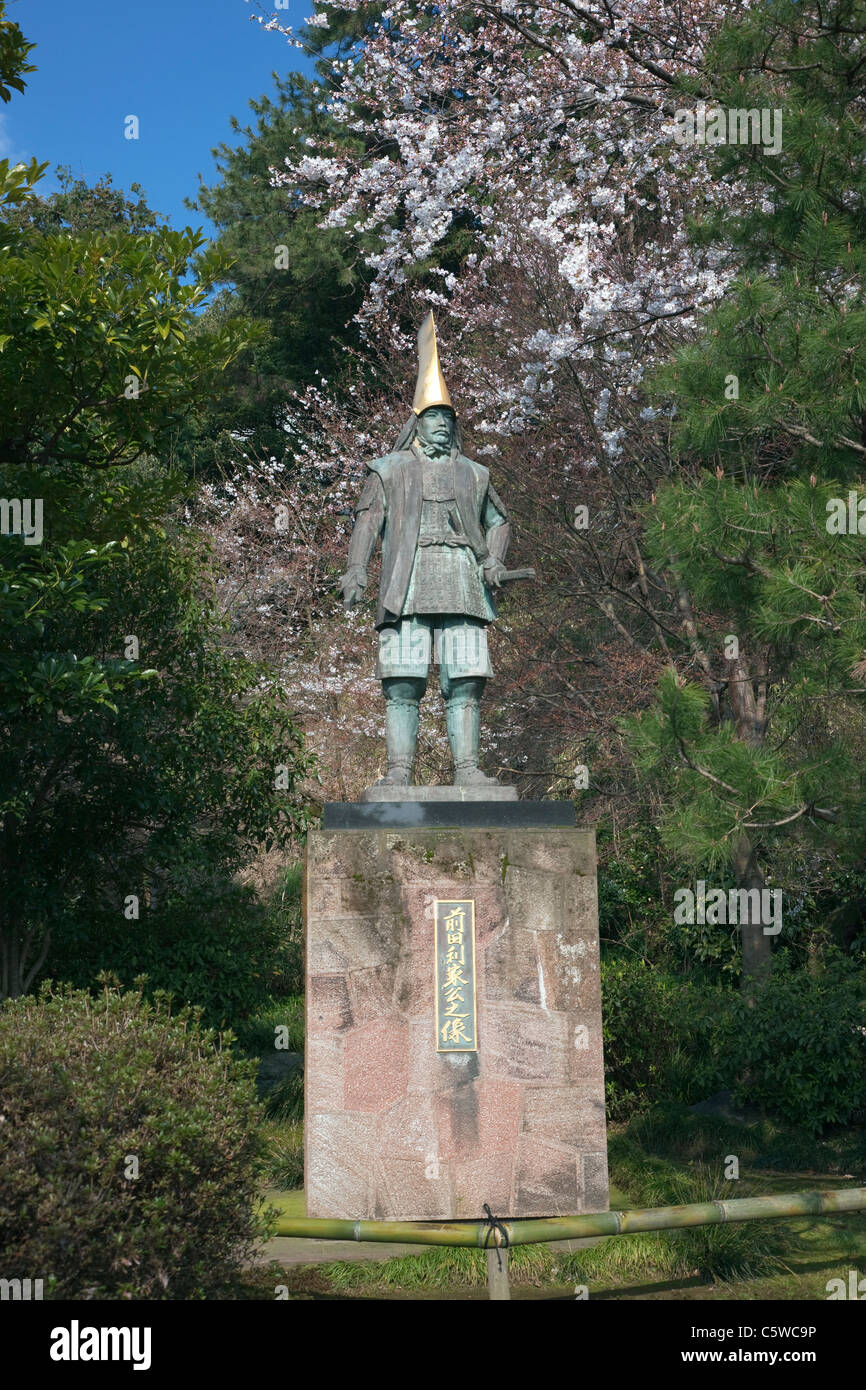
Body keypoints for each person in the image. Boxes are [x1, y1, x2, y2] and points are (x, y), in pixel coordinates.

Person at [338, 312, 511, 787]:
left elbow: (500, 522)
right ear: (416, 423)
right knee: (402, 680)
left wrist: (494, 559)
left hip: (461, 580)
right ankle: (398, 773)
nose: (443, 424)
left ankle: (469, 771)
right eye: (435, 416)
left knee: (467, 679)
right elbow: (368, 521)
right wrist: (356, 570)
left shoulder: (475, 473)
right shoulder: (389, 469)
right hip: (407, 582)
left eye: (448, 419)